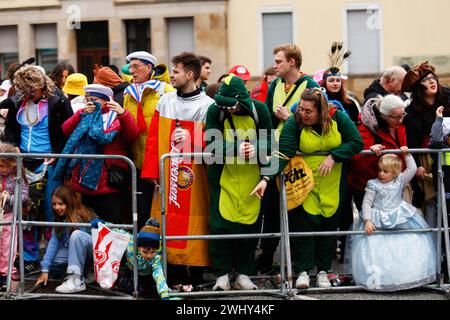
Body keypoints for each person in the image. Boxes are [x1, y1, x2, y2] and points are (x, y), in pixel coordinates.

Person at [251, 88, 363, 288]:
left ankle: (323, 271)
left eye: (308, 111)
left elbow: (356, 142)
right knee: (303, 227)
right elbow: (282, 153)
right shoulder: (295, 121)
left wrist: (334, 155)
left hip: (332, 184)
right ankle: (303, 271)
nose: (303, 114)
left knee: (328, 228)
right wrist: (266, 179)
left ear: (321, 110)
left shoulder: (337, 117)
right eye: (301, 109)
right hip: (304, 184)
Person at [141, 52, 214, 285]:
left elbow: (215, 140)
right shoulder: (165, 101)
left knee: (195, 223)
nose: (171, 75)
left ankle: (196, 271)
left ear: (189, 74)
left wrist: (192, 136)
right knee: (165, 220)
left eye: (176, 71)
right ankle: (169, 272)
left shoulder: (208, 105)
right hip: (167, 175)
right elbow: (153, 139)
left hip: (196, 179)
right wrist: (152, 171)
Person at [205, 75, 272, 290]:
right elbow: (211, 146)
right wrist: (235, 149)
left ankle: (244, 274)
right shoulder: (215, 111)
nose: (230, 110)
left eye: (232, 106)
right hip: (224, 179)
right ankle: (222, 275)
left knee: (250, 229)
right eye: (225, 106)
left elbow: (271, 139)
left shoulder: (259, 110)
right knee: (220, 229)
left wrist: (257, 147)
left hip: (253, 179)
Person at [257, 44, 319, 275]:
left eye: (279, 61)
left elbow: (317, 117)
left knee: (296, 209)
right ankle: (267, 257)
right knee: (271, 208)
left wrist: (291, 116)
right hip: (275, 153)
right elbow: (267, 118)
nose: (275, 65)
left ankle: (297, 265)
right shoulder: (275, 84)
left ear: (292, 62)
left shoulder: (311, 85)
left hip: (297, 155)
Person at [5, 65, 73, 276]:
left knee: (53, 209)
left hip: (50, 162)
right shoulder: (18, 101)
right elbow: (10, 129)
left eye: (31, 91)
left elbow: (68, 130)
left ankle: (55, 258)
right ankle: (30, 258)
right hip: (24, 162)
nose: (28, 95)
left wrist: (58, 153)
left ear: (41, 86)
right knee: (26, 209)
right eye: (24, 91)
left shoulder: (58, 101)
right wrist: (14, 145)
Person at [346, 148, 437, 291]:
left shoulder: (400, 180)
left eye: (385, 171)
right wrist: (368, 220)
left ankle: (406, 276)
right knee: (376, 245)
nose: (381, 174)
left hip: (399, 216)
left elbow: (412, 169)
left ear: (395, 172)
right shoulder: (373, 184)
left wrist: (407, 155)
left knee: (406, 242)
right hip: (378, 218)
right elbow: (366, 203)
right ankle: (379, 279)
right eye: (380, 170)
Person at [54, 84, 139, 224]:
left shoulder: (116, 115)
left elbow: (132, 135)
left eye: (94, 99)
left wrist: (123, 114)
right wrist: (81, 114)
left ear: (106, 101)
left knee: (111, 225)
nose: (90, 103)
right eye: (87, 99)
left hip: (110, 182)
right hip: (85, 180)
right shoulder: (84, 114)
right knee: (89, 224)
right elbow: (66, 129)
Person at [123, 51, 175, 230]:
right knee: (141, 210)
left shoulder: (165, 90)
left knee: (162, 209)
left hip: (159, 162)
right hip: (137, 162)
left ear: (149, 67)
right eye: (130, 68)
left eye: (136, 67)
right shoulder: (129, 93)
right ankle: (144, 251)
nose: (132, 71)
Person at [402, 61, 450, 226]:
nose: (432, 81)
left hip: (447, 154)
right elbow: (411, 142)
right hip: (427, 160)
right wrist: (416, 166)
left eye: (433, 78)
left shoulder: (448, 99)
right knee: (432, 202)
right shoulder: (412, 112)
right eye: (426, 80)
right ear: (418, 87)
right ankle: (437, 244)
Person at [34, 185, 97, 293]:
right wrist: (45, 270)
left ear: (70, 202)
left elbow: (85, 243)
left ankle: (77, 279)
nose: (56, 207)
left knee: (77, 235)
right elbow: (53, 243)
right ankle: (77, 272)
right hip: (76, 254)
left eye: (60, 204)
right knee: (49, 260)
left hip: (93, 255)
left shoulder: (84, 215)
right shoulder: (59, 219)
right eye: (54, 204)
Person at [91, 217, 171, 299]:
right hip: (129, 269)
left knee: (144, 289)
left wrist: (164, 294)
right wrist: (102, 224)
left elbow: (158, 274)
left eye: (153, 251)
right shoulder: (130, 242)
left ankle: (121, 281)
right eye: (145, 252)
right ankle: (120, 279)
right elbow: (117, 231)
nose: (149, 256)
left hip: (146, 275)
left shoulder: (157, 254)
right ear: (138, 247)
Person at [0, 143, 29, 290]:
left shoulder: (17, 176)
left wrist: (9, 198)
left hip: (9, 215)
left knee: (7, 245)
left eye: (6, 167)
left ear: (13, 165)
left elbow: (24, 197)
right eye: (0, 166)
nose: (3, 169)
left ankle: (6, 274)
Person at [320, 42, 360, 125]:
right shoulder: (318, 102)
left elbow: (356, 126)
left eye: (338, 81)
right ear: (324, 83)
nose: (335, 83)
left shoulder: (350, 104)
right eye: (331, 80)